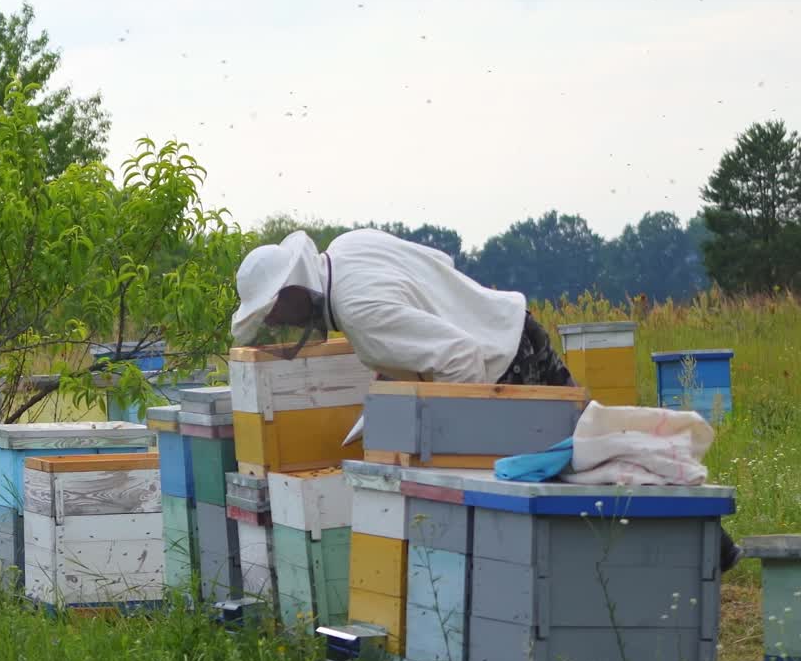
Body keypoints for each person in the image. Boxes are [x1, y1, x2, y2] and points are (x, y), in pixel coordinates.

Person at [230, 227, 741, 572]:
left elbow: (459, 359)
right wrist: (387, 399)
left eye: (276, 312)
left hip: (500, 366)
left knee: (583, 467)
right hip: (510, 326)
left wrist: (446, 438)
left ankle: (695, 543)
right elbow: (434, 274)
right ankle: (701, 541)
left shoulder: (358, 312)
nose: (280, 324)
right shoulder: (350, 245)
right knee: (595, 448)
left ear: (293, 290)